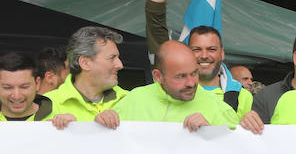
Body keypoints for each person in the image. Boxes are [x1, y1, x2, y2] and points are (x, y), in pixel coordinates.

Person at [143, 0, 260, 131]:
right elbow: (155, 25)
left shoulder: (241, 97)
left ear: (222, 53)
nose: (204, 56)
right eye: (196, 49)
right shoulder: (170, 83)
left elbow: (241, 148)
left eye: (211, 49)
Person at [95, 42, 240, 130]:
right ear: (158, 76)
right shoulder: (132, 101)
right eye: (181, 76)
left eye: (194, 73)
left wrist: (210, 137)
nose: (191, 83)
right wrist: (101, 124)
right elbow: (102, 150)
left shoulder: (220, 109)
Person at [48, 26, 126, 127]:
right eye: (112, 58)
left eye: (118, 58)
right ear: (85, 63)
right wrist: (60, 131)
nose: (120, 65)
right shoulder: (47, 104)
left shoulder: (131, 99)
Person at [0, 53, 53, 121]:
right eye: (7, 87)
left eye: (24, 87)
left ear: (37, 84)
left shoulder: (58, 117)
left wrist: (69, 128)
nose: (17, 96)